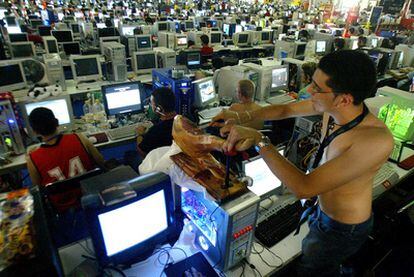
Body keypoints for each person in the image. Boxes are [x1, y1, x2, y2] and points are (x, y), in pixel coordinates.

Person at [211, 50, 394, 276]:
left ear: (344, 98)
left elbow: (304, 187)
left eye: (317, 87)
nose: (308, 91)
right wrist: (238, 116)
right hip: (321, 210)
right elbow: (286, 109)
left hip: (341, 228)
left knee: (312, 270)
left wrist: (261, 140)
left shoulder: (374, 140)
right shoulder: (331, 107)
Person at [26, 107, 105, 187]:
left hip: (61, 199)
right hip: (90, 194)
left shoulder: (33, 159)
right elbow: (101, 162)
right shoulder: (79, 138)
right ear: (57, 122)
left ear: (34, 132)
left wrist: (36, 152)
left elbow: (38, 188)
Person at [136, 87, 176, 158]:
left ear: (159, 108)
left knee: (129, 155)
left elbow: (142, 152)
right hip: (176, 161)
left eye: (152, 104)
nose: (151, 106)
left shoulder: (156, 131)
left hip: (161, 165)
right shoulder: (183, 121)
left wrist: (139, 135)